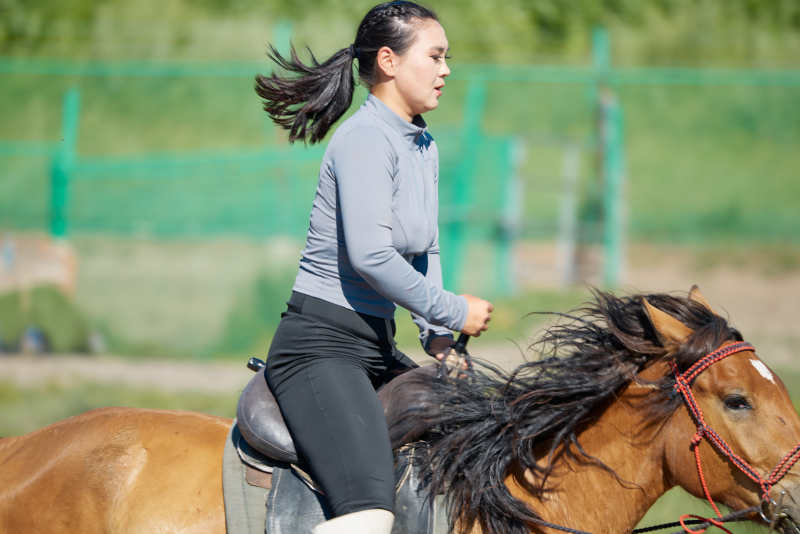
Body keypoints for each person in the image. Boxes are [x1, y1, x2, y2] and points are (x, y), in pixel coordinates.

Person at [255, 2, 493, 533]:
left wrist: (437, 338)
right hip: (319, 348)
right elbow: (372, 257)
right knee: (367, 516)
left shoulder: (421, 142)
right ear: (388, 60)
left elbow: (423, 250)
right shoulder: (364, 140)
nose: (446, 69)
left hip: (373, 345)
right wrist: (453, 309)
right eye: (434, 56)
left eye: (446, 57)